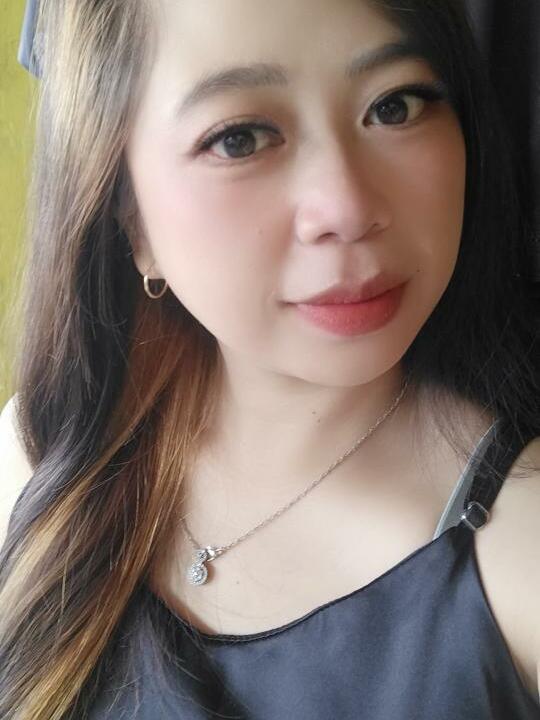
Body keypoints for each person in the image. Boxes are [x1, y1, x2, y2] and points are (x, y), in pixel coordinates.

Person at [0, 0, 539, 717]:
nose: (346, 208)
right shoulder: (40, 456)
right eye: (241, 139)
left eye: (395, 106)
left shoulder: (519, 562)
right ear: (128, 213)